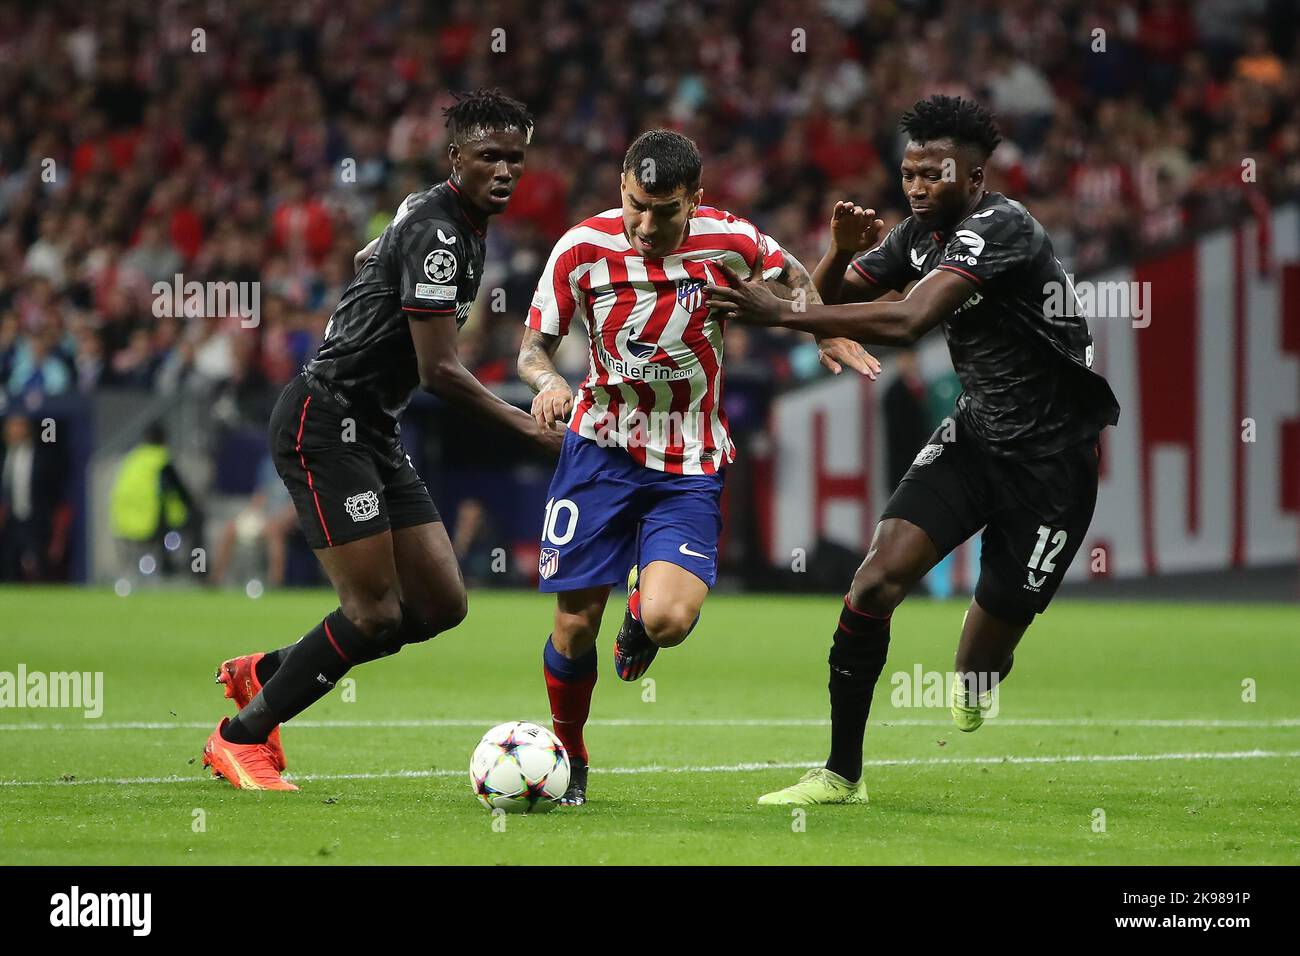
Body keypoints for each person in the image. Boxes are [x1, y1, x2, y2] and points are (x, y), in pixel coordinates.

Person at [704, 95, 1120, 805]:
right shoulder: (914, 238)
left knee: (980, 664)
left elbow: (905, 320)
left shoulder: (1003, 227)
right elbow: (825, 303)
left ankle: (978, 676)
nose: (918, 187)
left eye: (935, 174)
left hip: (1054, 464)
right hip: (977, 437)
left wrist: (780, 310)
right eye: (909, 174)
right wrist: (835, 249)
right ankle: (840, 775)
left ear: (976, 178)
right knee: (874, 580)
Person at [202, 89, 562, 791]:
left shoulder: (444, 216)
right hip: (324, 421)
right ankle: (238, 737)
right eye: (490, 156)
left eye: (516, 159)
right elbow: (438, 370)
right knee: (373, 614)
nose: (506, 171)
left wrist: (371, 289)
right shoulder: (441, 234)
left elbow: (375, 250)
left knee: (438, 607)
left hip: (372, 427)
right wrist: (527, 428)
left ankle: (266, 672)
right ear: (454, 157)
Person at [516, 129, 879, 805]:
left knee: (668, 622)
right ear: (621, 187)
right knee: (571, 624)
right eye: (636, 206)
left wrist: (823, 324)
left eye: (666, 211)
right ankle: (569, 756)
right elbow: (533, 345)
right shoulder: (580, 248)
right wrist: (546, 381)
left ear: (696, 200)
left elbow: (795, 279)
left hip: (687, 456)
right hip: (599, 447)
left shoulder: (730, 240)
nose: (647, 225)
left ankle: (638, 613)